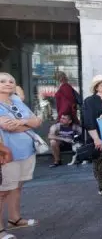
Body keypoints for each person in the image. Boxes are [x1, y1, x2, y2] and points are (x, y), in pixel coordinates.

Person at [0, 72, 42, 232]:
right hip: (8, 154)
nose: (8, 83)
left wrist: (22, 122)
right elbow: (7, 126)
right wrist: (29, 123)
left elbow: (37, 121)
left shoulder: (16, 100)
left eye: (11, 80)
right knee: (3, 191)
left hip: (27, 151)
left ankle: (14, 219)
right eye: (2, 81)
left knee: (17, 186)